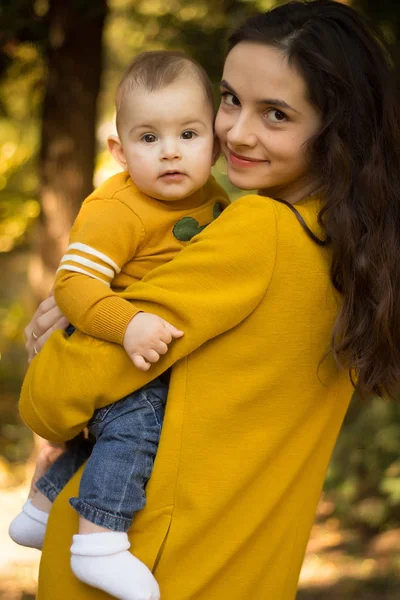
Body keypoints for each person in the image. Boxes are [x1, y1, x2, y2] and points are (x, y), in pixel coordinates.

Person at [19, 1, 400, 598]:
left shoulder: (259, 233)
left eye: (275, 113)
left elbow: (54, 395)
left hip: (147, 564)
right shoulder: (356, 253)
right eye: (229, 99)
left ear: (336, 127)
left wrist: (75, 324)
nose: (235, 132)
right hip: (249, 571)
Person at [9, 50, 229, 600]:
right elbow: (74, 286)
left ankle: (41, 506)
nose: (171, 151)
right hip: (106, 343)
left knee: (106, 434)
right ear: (120, 151)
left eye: (189, 133)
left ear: (216, 143)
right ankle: (99, 540)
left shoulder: (217, 202)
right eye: (149, 138)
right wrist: (127, 324)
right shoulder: (117, 209)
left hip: (140, 349)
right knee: (136, 423)